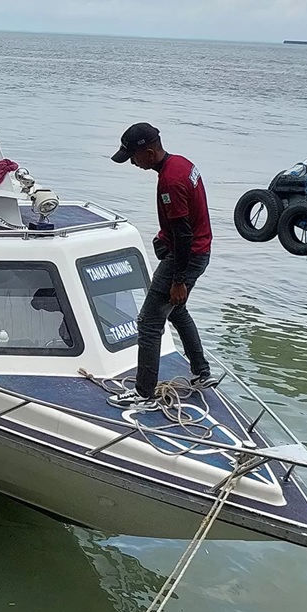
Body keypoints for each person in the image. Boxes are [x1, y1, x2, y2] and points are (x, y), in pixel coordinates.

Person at [107, 122, 214, 411]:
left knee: (149, 322)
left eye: (133, 157)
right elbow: (184, 224)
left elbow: (184, 233)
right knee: (177, 310)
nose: (132, 163)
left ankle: (143, 393)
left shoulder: (170, 181)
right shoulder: (181, 164)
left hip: (186, 256)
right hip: (198, 251)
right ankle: (202, 373)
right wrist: (162, 237)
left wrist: (178, 279)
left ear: (150, 152)